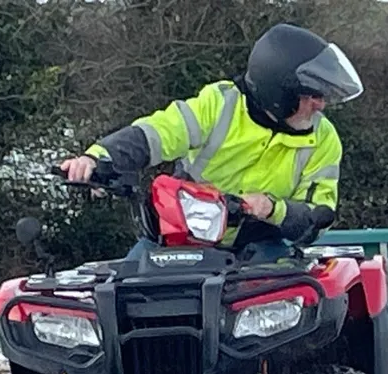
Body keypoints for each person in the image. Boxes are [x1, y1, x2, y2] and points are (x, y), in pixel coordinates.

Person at [57, 23, 363, 256]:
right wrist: (97, 158)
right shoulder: (220, 104)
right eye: (312, 95)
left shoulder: (324, 139)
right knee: (126, 292)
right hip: (181, 237)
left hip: (261, 246)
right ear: (278, 91)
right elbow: (157, 132)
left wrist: (273, 209)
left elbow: (317, 218)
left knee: (304, 314)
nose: (320, 105)